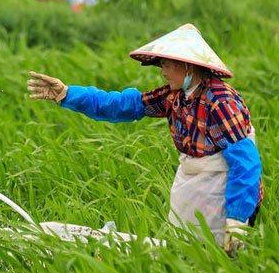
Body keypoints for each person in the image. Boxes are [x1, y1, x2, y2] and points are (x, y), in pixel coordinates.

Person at [27, 23, 262, 255]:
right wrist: (69, 94)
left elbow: (245, 162)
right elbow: (123, 105)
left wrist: (237, 218)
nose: (163, 72)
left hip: (224, 188)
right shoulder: (174, 96)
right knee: (188, 252)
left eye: (168, 66)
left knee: (221, 255)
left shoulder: (221, 102)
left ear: (188, 66)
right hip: (195, 184)